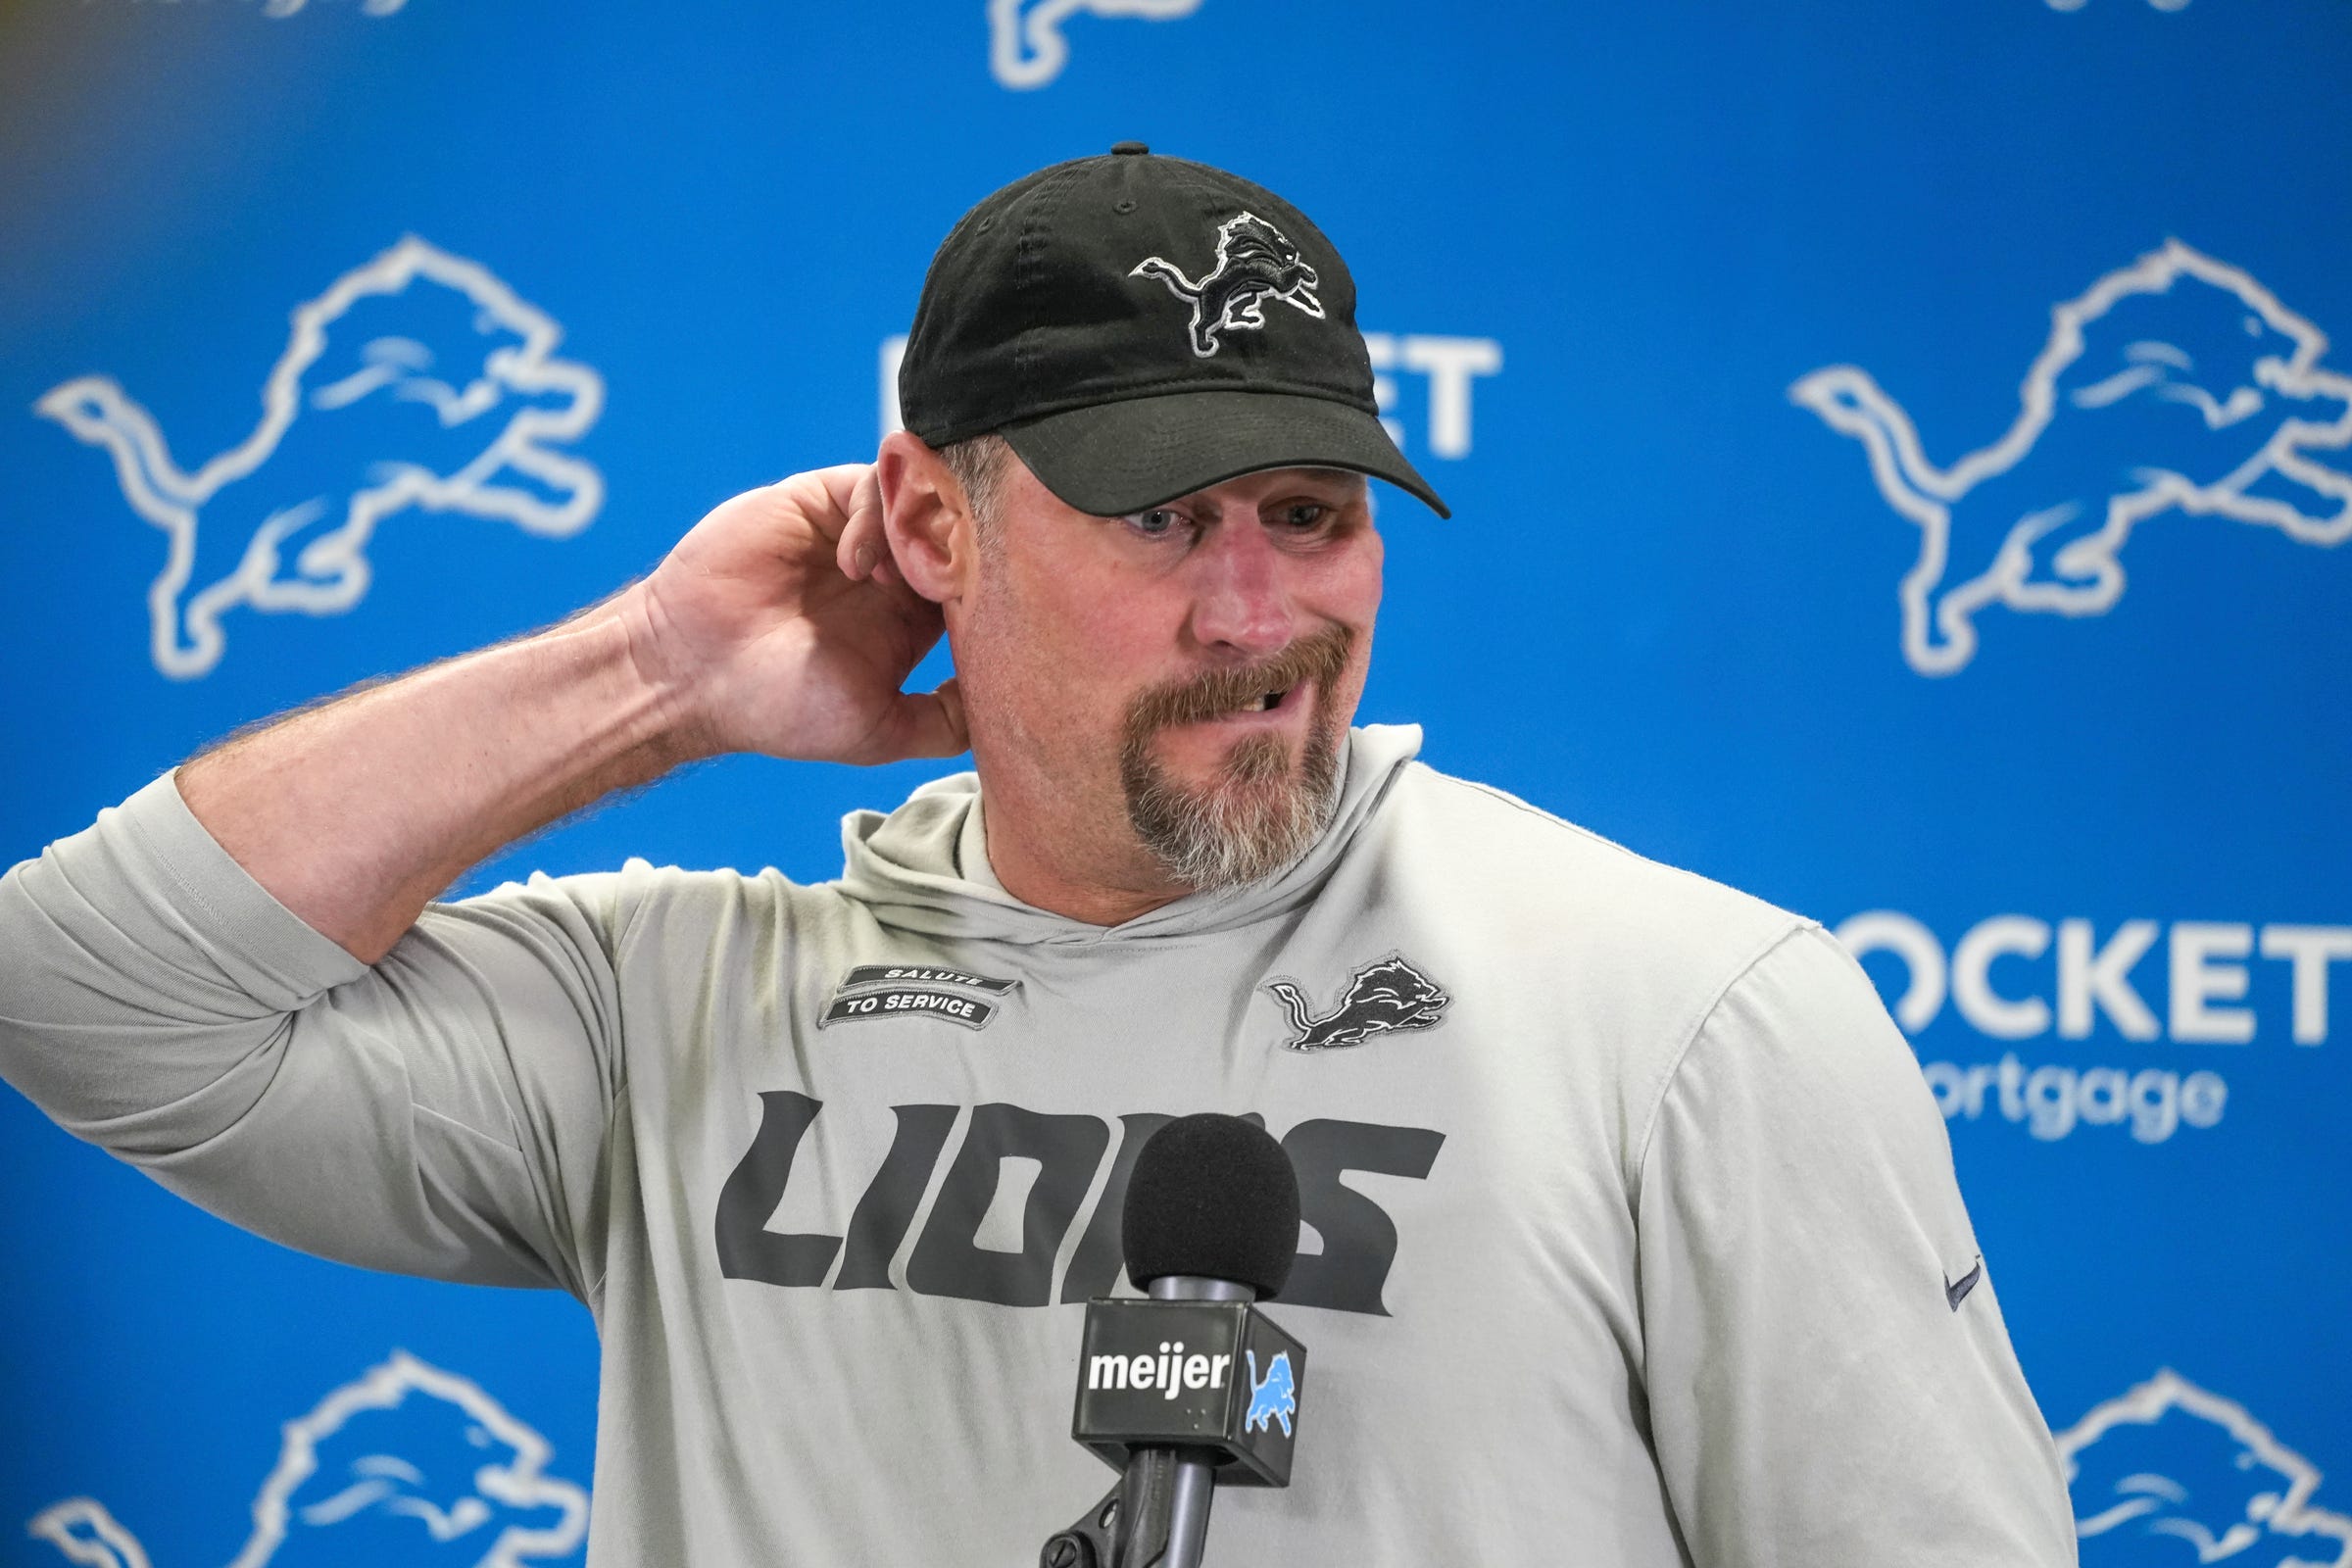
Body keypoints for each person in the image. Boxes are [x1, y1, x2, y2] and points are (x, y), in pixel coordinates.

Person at [0, 146, 2079, 1566]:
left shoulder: (1682, 1015)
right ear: (931, 526)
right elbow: (84, 989)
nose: (1264, 616)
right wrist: (655, 674)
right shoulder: (682, 1005)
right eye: (1166, 519)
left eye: (1312, 512)